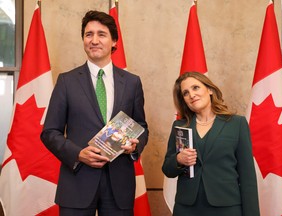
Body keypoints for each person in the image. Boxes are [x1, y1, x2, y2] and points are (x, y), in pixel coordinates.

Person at [40, 10, 148, 216]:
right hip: (76, 182)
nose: (94, 40)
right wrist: (78, 154)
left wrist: (134, 146)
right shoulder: (66, 81)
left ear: (114, 41)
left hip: (119, 185)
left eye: (101, 34)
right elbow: (50, 132)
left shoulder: (133, 82)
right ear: (83, 40)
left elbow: (141, 127)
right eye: (89, 34)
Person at [162, 72, 260, 216]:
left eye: (196, 88)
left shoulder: (236, 124)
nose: (192, 95)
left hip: (226, 208)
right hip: (187, 208)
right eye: (186, 93)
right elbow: (167, 169)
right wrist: (178, 160)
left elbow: (248, 177)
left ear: (210, 90)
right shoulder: (180, 126)